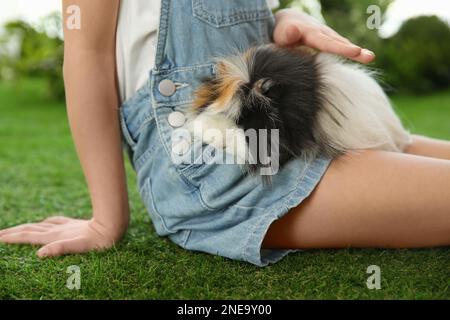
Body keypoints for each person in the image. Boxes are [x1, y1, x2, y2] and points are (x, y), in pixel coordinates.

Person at [0, 0, 448, 266]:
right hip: (205, 155)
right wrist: (106, 220)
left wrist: (281, 22)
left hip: (281, 122)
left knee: (404, 147)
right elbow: (88, 54)